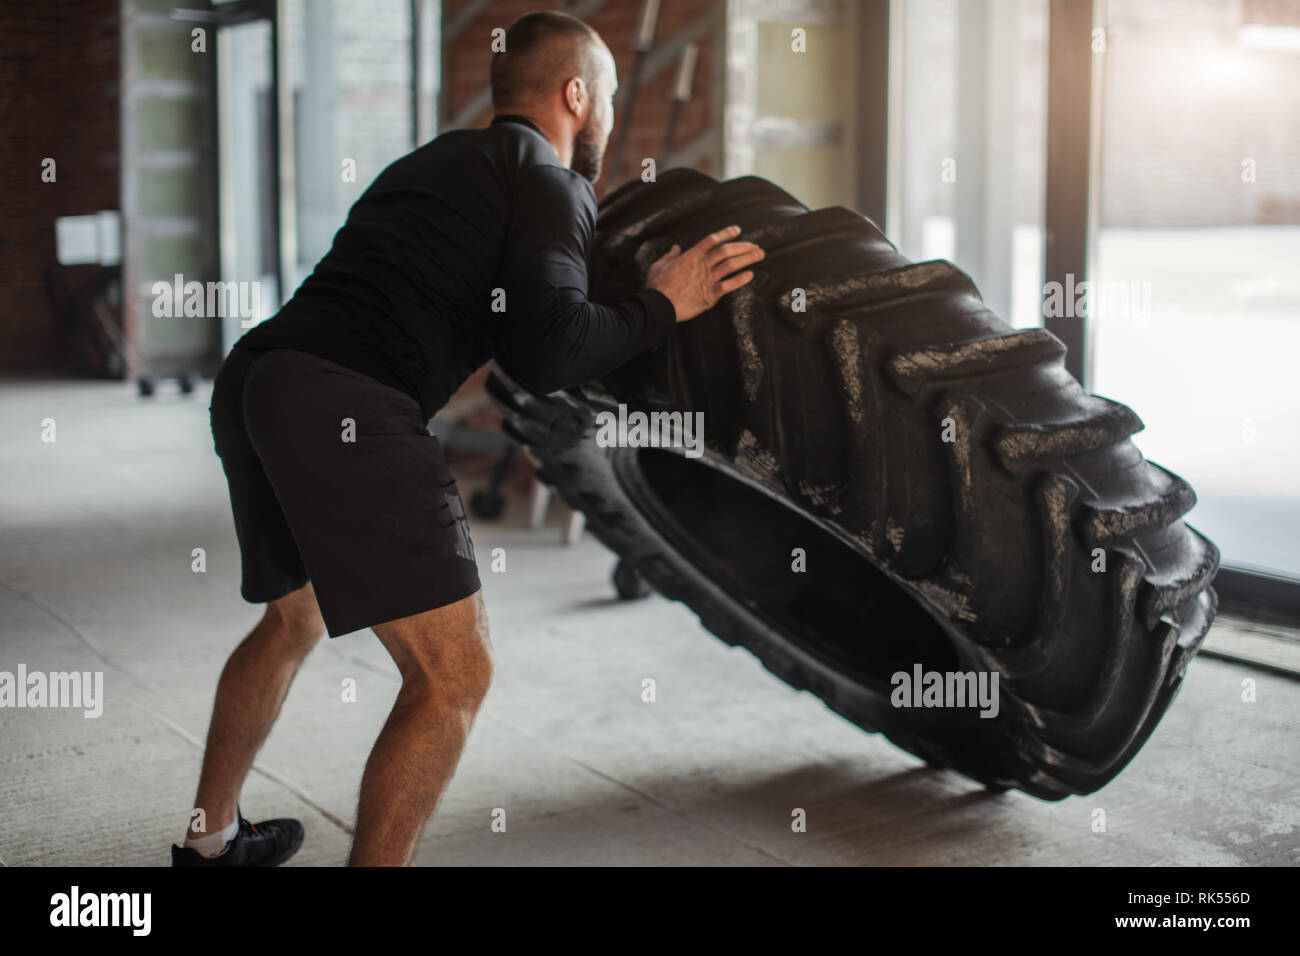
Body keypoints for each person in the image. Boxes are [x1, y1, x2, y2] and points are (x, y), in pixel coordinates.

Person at [178, 9, 765, 867]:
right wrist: (663, 305)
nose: (605, 114)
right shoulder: (553, 181)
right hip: (348, 403)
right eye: (602, 95)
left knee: (291, 618)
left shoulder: (432, 161)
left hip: (259, 379)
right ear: (577, 93)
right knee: (455, 678)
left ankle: (209, 841)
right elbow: (551, 347)